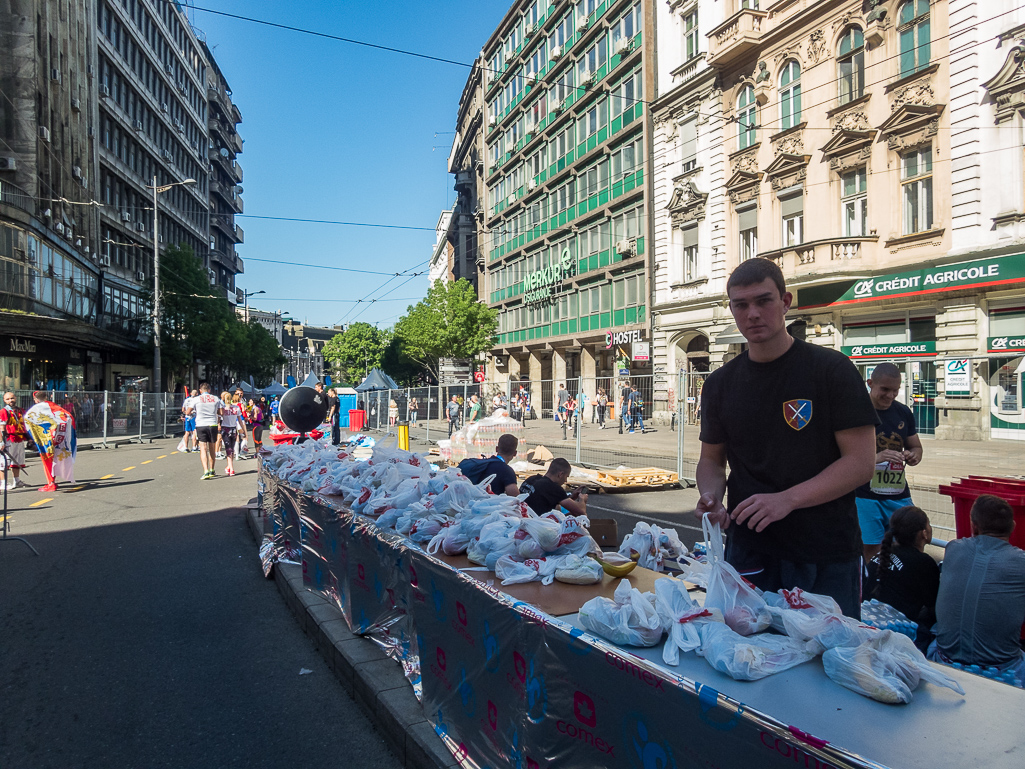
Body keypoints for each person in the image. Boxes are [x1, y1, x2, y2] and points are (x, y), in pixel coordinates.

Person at [694, 257, 877, 618]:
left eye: (763, 301)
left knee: (828, 660)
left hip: (824, 550)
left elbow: (860, 463)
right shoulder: (719, 384)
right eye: (741, 304)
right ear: (731, 308)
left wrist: (787, 500)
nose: (753, 313)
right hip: (750, 548)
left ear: (786, 302)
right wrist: (711, 496)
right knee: (751, 657)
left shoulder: (832, 370)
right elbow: (711, 460)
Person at [929, 494, 1025, 683]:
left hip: (942, 658)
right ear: (1012, 527)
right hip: (1005, 668)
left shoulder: (953, 549)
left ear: (974, 526)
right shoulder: (1021, 562)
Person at [856, 362, 924, 564]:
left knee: (912, 542)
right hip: (864, 494)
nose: (890, 395)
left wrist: (913, 456)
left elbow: (916, 447)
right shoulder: (856, 411)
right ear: (870, 384)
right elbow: (843, 457)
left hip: (898, 493)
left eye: (895, 390)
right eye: (884, 389)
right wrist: (877, 458)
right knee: (872, 548)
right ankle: (870, 588)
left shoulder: (903, 412)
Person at [865, 505, 939, 652]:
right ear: (924, 533)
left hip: (869, 623)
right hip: (898, 631)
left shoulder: (881, 554)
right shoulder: (923, 562)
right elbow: (933, 605)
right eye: (928, 525)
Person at [23, 391, 77, 492]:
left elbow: (28, 420)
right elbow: (68, 416)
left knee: (47, 460)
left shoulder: (35, 409)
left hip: (45, 440)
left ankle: (51, 483)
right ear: (46, 397)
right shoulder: (54, 406)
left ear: (36, 400)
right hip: (58, 439)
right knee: (55, 459)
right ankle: (52, 481)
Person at [519, 457, 587, 516]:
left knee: (558, 508)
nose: (565, 481)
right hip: (540, 524)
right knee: (579, 516)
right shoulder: (552, 487)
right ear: (560, 474)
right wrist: (582, 499)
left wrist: (572, 497)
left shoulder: (531, 479)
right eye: (566, 477)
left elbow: (555, 498)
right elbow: (581, 511)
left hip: (522, 517)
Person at [186, 382, 225, 480]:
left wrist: (195, 411)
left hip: (201, 424)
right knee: (212, 447)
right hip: (212, 424)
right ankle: (212, 469)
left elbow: (187, 411)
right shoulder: (215, 398)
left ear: (200, 390)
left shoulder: (196, 399)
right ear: (209, 390)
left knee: (203, 448)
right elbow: (221, 412)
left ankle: (205, 470)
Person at [0, 392, 29, 490]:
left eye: (12, 398)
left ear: (15, 398)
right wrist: (1, 442)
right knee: (4, 462)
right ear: (4, 400)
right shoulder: (4, 411)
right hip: (8, 439)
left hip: (19, 438)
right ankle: (3, 483)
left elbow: (26, 424)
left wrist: (29, 439)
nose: (10, 400)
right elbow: (1, 427)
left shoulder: (21, 410)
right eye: (7, 399)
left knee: (18, 461)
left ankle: (17, 481)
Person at [219, 391, 240, 476]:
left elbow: (219, 419)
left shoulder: (222, 409)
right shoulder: (236, 408)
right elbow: (239, 420)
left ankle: (231, 468)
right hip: (233, 429)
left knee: (228, 448)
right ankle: (229, 466)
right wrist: (242, 430)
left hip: (225, 429)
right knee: (232, 448)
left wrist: (218, 426)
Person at [181, 388, 198, 452]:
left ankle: (185, 447)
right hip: (194, 416)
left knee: (187, 432)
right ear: (196, 394)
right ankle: (194, 447)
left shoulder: (186, 400)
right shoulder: (196, 400)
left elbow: (183, 409)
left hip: (187, 416)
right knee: (194, 431)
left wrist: (186, 413)